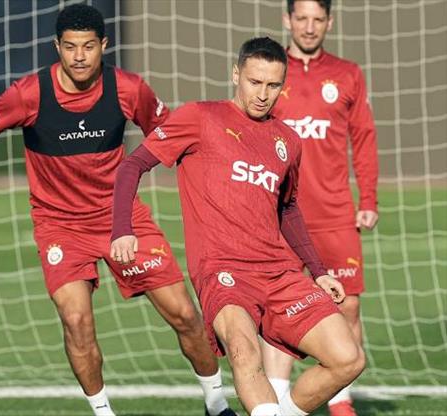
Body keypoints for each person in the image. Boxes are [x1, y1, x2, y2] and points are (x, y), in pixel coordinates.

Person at [0, 4, 233, 416]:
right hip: (60, 227)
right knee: (76, 320)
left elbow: (169, 133)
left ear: (104, 45)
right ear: (57, 47)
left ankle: (216, 403)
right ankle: (103, 412)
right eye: (70, 47)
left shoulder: (129, 89)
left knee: (185, 314)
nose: (79, 56)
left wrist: (211, 177)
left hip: (122, 218)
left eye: (88, 46)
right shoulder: (29, 93)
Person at [111, 37, 366, 416]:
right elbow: (132, 165)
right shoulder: (200, 117)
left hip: (279, 272)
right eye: (254, 82)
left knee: (348, 358)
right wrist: (122, 228)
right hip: (222, 271)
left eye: (273, 85)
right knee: (244, 352)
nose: (263, 94)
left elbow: (288, 208)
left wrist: (318, 271)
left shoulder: (287, 140)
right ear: (236, 75)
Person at [263, 1, 379, 414]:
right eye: (302, 19)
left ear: (329, 22)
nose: (309, 28)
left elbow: (364, 138)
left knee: (347, 305)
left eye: (317, 20)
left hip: (335, 213)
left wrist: (368, 199)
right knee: (280, 311)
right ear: (287, 20)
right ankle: (275, 405)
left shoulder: (347, 74)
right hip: (280, 215)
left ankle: (341, 403)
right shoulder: (270, 72)